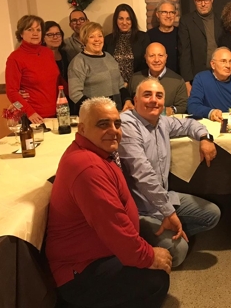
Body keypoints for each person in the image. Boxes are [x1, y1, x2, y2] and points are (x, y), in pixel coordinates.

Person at [46, 97, 171, 308]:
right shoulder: (88, 167)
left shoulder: (95, 152)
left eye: (117, 123)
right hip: (79, 272)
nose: (113, 130)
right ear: (82, 129)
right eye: (103, 124)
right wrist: (149, 256)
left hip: (98, 252)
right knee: (157, 281)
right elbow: (114, 225)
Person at [119, 78, 221, 266]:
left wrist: (205, 138)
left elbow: (189, 124)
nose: (154, 100)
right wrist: (169, 212)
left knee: (211, 214)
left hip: (163, 199)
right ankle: (142, 242)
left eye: (159, 96)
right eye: (147, 95)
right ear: (135, 100)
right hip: (139, 210)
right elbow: (144, 176)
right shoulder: (128, 125)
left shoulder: (162, 121)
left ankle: (170, 231)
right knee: (178, 253)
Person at [5, 15, 59, 124]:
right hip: (32, 118)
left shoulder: (48, 53)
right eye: (30, 29)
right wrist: (28, 112)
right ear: (21, 33)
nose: (35, 33)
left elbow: (57, 80)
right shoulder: (15, 58)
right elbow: (11, 93)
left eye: (38, 30)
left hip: (56, 113)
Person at [68, 22, 132, 111]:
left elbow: (120, 85)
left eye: (100, 36)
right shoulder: (79, 62)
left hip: (115, 110)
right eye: (91, 37)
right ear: (84, 40)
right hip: (94, 113)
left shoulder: (109, 57)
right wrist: (96, 109)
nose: (97, 39)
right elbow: (75, 94)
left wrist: (127, 100)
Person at [178, 0, 224, 95]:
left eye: (206, 0)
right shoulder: (186, 21)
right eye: (199, 1)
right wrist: (186, 81)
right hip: (197, 76)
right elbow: (184, 52)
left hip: (221, 73)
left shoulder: (222, 19)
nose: (203, 4)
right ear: (194, 1)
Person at [129, 42, 188, 116]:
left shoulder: (178, 80)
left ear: (166, 57)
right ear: (146, 58)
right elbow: (128, 101)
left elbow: (183, 106)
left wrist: (172, 110)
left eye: (160, 55)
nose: (156, 60)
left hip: (166, 120)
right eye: (152, 56)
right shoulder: (135, 78)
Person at [104, 4, 151, 87]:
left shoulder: (143, 37)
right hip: (114, 85)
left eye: (128, 19)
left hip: (138, 84)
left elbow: (147, 63)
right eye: (121, 18)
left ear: (132, 20)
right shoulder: (108, 40)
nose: (124, 22)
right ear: (116, 20)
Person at [147, 0, 179, 73]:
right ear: (158, 14)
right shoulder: (149, 35)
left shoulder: (181, 33)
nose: (168, 16)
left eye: (172, 12)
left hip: (178, 77)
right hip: (156, 77)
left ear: (175, 15)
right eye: (164, 12)